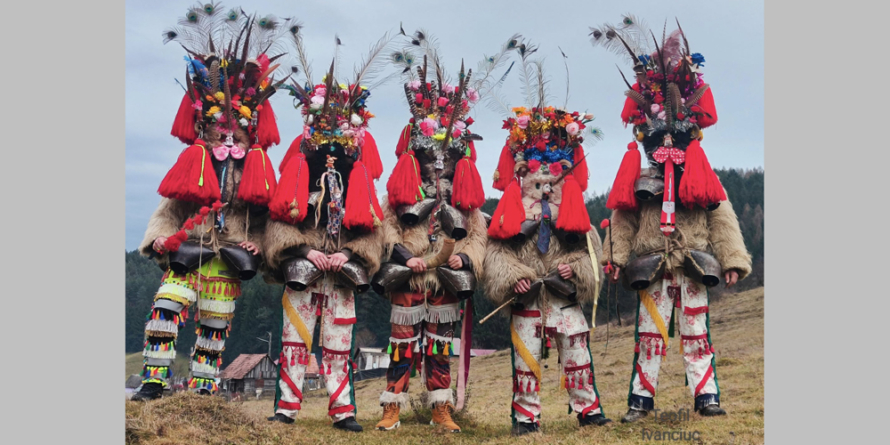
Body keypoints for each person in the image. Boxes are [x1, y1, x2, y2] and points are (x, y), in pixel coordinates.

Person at [589, 16, 752, 422]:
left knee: (697, 333)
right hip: (652, 265)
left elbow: (722, 216)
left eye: (674, 135)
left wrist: (732, 259)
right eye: (657, 136)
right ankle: (640, 402)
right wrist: (613, 256)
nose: (666, 143)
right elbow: (623, 218)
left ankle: (706, 396)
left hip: (693, 263)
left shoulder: (702, 178)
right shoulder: (640, 179)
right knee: (649, 334)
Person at [131, 5, 284, 401]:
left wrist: (260, 246)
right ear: (206, 128)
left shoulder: (259, 173)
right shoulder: (192, 165)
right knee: (167, 306)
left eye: (235, 131)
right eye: (220, 130)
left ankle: (202, 388)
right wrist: (161, 239)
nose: (228, 139)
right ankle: (153, 381)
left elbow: (269, 222)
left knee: (216, 324)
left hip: (229, 257)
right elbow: (168, 212)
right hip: (189, 250)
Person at [370, 31, 507, 433]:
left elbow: (479, 234)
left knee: (440, 346)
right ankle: (392, 406)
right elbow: (385, 227)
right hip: (409, 274)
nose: (438, 166)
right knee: (400, 344)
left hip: (446, 277)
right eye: (431, 157)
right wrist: (401, 255)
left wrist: (467, 257)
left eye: (445, 159)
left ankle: (440, 409)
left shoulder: (466, 199)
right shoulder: (400, 192)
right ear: (419, 154)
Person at [261, 28, 396, 433]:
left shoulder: (359, 176)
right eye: (325, 134)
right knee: (294, 339)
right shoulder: (298, 170)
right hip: (304, 268)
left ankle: (343, 411)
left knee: (339, 345)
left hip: (341, 272)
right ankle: (286, 407)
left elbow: (372, 227)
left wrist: (349, 254)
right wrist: (304, 251)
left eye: (341, 136)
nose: (333, 148)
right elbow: (279, 223)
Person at [481, 37, 611, 435]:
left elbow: (591, 254)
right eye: (535, 179)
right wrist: (512, 276)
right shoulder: (511, 214)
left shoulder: (575, 214)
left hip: (563, 295)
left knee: (576, 353)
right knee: (526, 357)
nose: (543, 186)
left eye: (549, 180)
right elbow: (496, 254)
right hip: (527, 297)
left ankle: (588, 409)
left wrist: (575, 270)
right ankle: (526, 416)